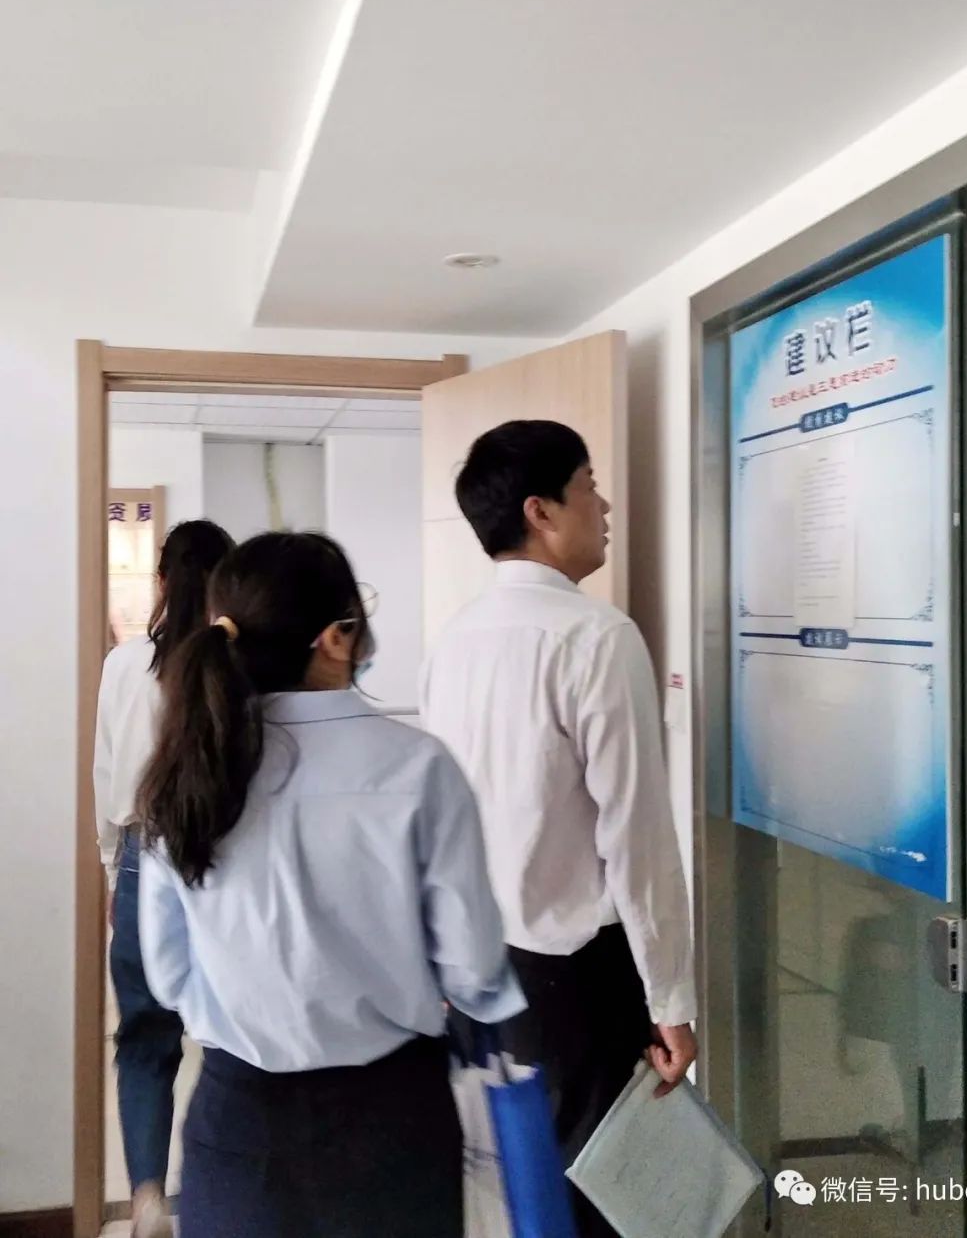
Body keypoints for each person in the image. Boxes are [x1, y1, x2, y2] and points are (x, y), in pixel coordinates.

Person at [136, 531, 524, 1238]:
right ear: (337, 638)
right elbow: (472, 968)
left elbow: (169, 975)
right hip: (392, 1118)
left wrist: (248, 1011)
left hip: (238, 1118)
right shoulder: (418, 767)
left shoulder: (185, 775)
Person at [421, 420, 698, 1237]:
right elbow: (637, 836)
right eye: (588, 485)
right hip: (574, 977)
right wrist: (672, 999)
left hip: (479, 968)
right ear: (540, 511)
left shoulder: (454, 639)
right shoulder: (596, 637)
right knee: (605, 1191)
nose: (603, 506)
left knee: (517, 1186)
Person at [94, 518, 234, 1238]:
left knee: (145, 1041)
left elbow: (104, 776)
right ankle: (218, 1191)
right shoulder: (235, 666)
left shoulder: (124, 665)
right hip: (218, 860)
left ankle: (147, 1195)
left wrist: (109, 870)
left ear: (160, 581)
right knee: (231, 1040)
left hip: (138, 856)